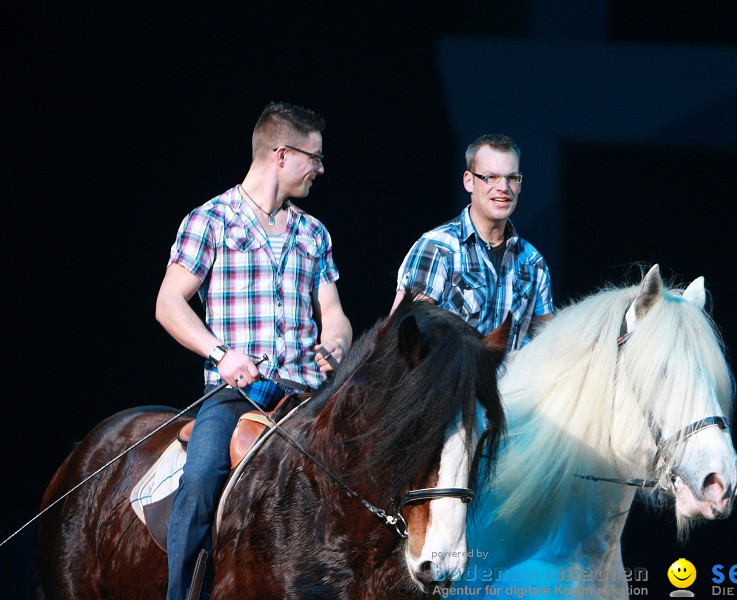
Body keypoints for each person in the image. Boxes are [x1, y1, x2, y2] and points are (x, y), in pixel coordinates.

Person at [155, 101, 352, 600]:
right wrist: (221, 353)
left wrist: (336, 341)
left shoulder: (314, 233)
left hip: (306, 397)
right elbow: (168, 302)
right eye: (315, 157)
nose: (321, 169)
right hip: (238, 395)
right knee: (199, 485)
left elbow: (333, 311)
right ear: (282, 155)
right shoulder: (211, 220)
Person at [392, 133, 553, 350]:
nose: (503, 187)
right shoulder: (438, 248)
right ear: (469, 181)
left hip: (515, 383)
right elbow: (402, 338)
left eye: (512, 178)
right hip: (452, 383)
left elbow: (549, 344)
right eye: (491, 177)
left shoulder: (533, 263)